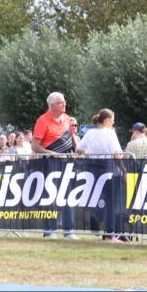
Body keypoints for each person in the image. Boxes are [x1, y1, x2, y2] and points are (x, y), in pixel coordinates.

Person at [76, 108, 124, 242]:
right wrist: (124, 169)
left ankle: (97, 222)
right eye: (113, 119)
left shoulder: (90, 133)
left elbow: (78, 148)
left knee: (96, 198)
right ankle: (109, 234)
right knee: (111, 203)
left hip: (92, 166)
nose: (114, 122)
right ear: (108, 120)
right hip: (108, 167)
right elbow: (116, 154)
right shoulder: (110, 133)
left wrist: (89, 152)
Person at [32, 92, 75, 238]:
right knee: (51, 196)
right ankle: (49, 231)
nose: (64, 104)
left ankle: (69, 231)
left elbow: (72, 137)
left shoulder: (67, 118)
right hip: (50, 163)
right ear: (52, 105)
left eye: (64, 102)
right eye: (61, 103)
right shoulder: (42, 121)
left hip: (67, 163)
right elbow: (35, 146)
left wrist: (80, 149)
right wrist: (53, 154)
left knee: (68, 195)